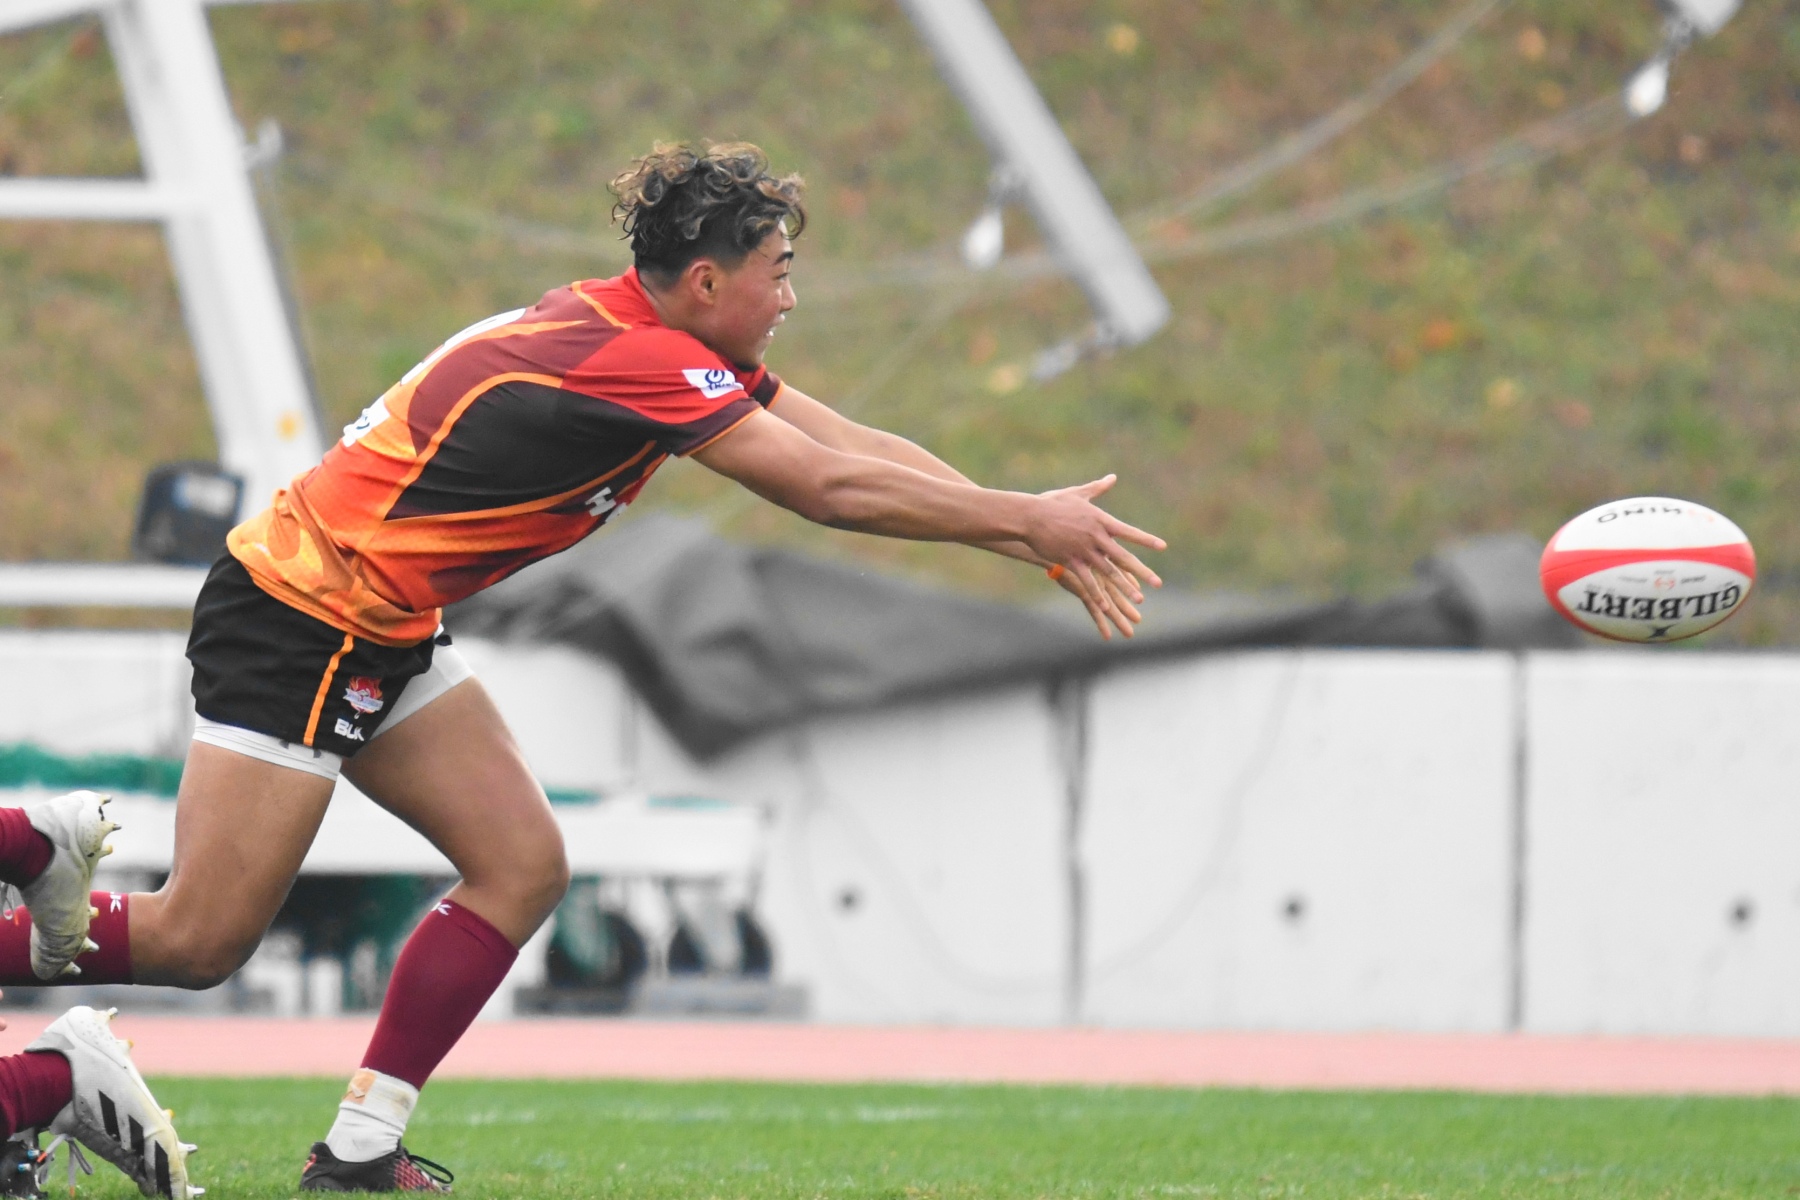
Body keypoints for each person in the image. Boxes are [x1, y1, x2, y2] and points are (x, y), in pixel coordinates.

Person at [0, 142, 1163, 1195]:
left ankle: (358, 1152)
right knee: (198, 940)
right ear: (704, 282)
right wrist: (1020, 522)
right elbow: (823, 487)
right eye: (778, 273)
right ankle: (35, 874)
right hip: (304, 614)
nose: (790, 298)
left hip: (377, 616)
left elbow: (847, 445)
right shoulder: (641, 360)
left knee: (519, 865)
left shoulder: (651, 337)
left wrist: (1022, 526)